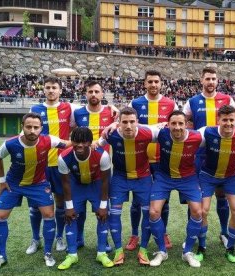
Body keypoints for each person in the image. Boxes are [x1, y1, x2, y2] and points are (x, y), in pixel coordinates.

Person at [0, 113, 69, 272]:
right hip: (13, 184)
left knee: (48, 215)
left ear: (41, 128)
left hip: (38, 184)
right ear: (22, 127)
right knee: (0, 216)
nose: (32, 130)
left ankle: (47, 252)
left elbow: (68, 143)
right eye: (28, 127)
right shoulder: (11, 144)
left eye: (36, 127)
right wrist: (2, 181)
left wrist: (91, 141)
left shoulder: (48, 140)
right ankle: (1, 256)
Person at [182, 67, 235, 259]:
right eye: (207, 78)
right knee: (197, 202)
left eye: (214, 79)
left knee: (222, 197)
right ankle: (192, 236)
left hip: (223, 154)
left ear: (217, 81)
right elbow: (182, 120)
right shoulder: (192, 101)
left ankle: (225, 233)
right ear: (201, 80)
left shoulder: (227, 100)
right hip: (201, 156)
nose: (211, 82)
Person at [197, 105, 235, 263]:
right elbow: (188, 139)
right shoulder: (206, 131)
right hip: (207, 176)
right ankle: (201, 247)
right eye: (225, 120)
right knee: (203, 211)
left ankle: (230, 248)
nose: (229, 123)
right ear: (218, 120)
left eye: (231, 120)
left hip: (230, 177)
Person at [98, 107, 157, 266]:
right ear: (119, 123)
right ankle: (118, 250)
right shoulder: (111, 134)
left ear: (138, 122)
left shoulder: (148, 133)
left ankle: (143, 249)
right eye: (125, 122)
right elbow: (96, 146)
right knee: (114, 214)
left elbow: (166, 130)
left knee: (149, 214)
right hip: (120, 178)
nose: (129, 126)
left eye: (132, 122)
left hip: (143, 178)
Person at [127, 70, 178, 250]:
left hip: (163, 160)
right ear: (145, 83)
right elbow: (128, 124)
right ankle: (134, 234)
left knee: (163, 200)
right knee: (137, 201)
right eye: (150, 82)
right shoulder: (136, 103)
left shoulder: (170, 104)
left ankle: (162, 233)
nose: (153, 85)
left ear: (161, 83)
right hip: (140, 159)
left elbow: (177, 127)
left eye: (156, 81)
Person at [27, 76, 76, 254]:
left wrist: (112, 106)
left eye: (54, 87)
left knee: (60, 202)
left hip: (61, 165)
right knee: (35, 204)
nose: (51, 90)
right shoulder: (36, 109)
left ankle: (60, 237)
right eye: (47, 87)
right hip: (39, 165)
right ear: (43, 90)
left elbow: (89, 111)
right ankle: (35, 239)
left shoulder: (69, 108)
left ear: (60, 90)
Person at [148, 110, 203, 268]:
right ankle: (162, 251)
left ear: (187, 124)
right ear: (168, 124)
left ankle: (187, 252)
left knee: (197, 211)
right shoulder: (161, 134)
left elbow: (217, 135)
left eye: (181, 123)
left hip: (188, 178)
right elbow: (139, 129)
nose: (177, 127)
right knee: (153, 212)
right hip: (164, 177)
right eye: (174, 123)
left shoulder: (197, 137)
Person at [57, 127, 114, 269]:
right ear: (72, 141)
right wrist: (69, 207)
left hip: (97, 185)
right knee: (70, 216)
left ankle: (101, 252)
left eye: (84, 142)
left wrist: (103, 205)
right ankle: (72, 254)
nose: (80, 145)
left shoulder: (102, 155)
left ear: (90, 142)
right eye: (76, 141)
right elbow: (65, 183)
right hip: (76, 185)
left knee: (103, 215)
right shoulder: (63, 157)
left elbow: (106, 181)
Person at [73, 81, 118, 250]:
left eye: (96, 91)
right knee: (79, 208)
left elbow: (123, 121)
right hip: (79, 167)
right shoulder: (77, 113)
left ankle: (104, 241)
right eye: (90, 91)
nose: (93, 94)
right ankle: (78, 238)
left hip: (102, 170)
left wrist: (116, 115)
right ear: (85, 94)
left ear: (102, 94)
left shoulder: (111, 112)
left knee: (102, 207)